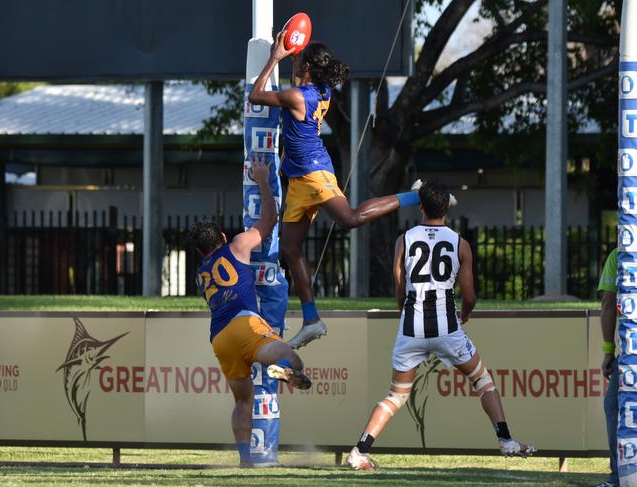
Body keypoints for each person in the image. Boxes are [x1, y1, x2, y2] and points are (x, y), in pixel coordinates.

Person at [248, 32, 425, 350]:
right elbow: (297, 84)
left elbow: (256, 96)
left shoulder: (298, 97)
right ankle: (311, 319)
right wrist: (294, 55)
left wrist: (275, 57)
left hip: (316, 174)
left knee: (351, 219)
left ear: (308, 70)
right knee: (290, 249)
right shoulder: (320, 89)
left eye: (301, 64)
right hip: (299, 181)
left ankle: (415, 197)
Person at [345, 182, 536, 470]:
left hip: (411, 327)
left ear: (420, 206)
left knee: (397, 395)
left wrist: (405, 313)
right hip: (447, 328)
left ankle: (360, 451)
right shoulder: (460, 243)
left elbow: (399, 289)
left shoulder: (403, 240)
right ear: (448, 207)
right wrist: (466, 315)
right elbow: (470, 296)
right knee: (482, 381)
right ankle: (506, 440)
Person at [187, 156, 312, 468]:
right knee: (293, 356)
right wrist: (262, 181)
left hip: (219, 338)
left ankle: (244, 460)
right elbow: (270, 219)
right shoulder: (239, 246)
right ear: (223, 239)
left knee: (243, 400)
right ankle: (283, 370)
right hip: (245, 325)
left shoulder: (200, 273)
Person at [595, 248, 619, 487]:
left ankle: (618, 477)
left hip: (632, 354)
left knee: (614, 405)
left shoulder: (620, 256)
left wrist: (608, 351)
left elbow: (608, 303)